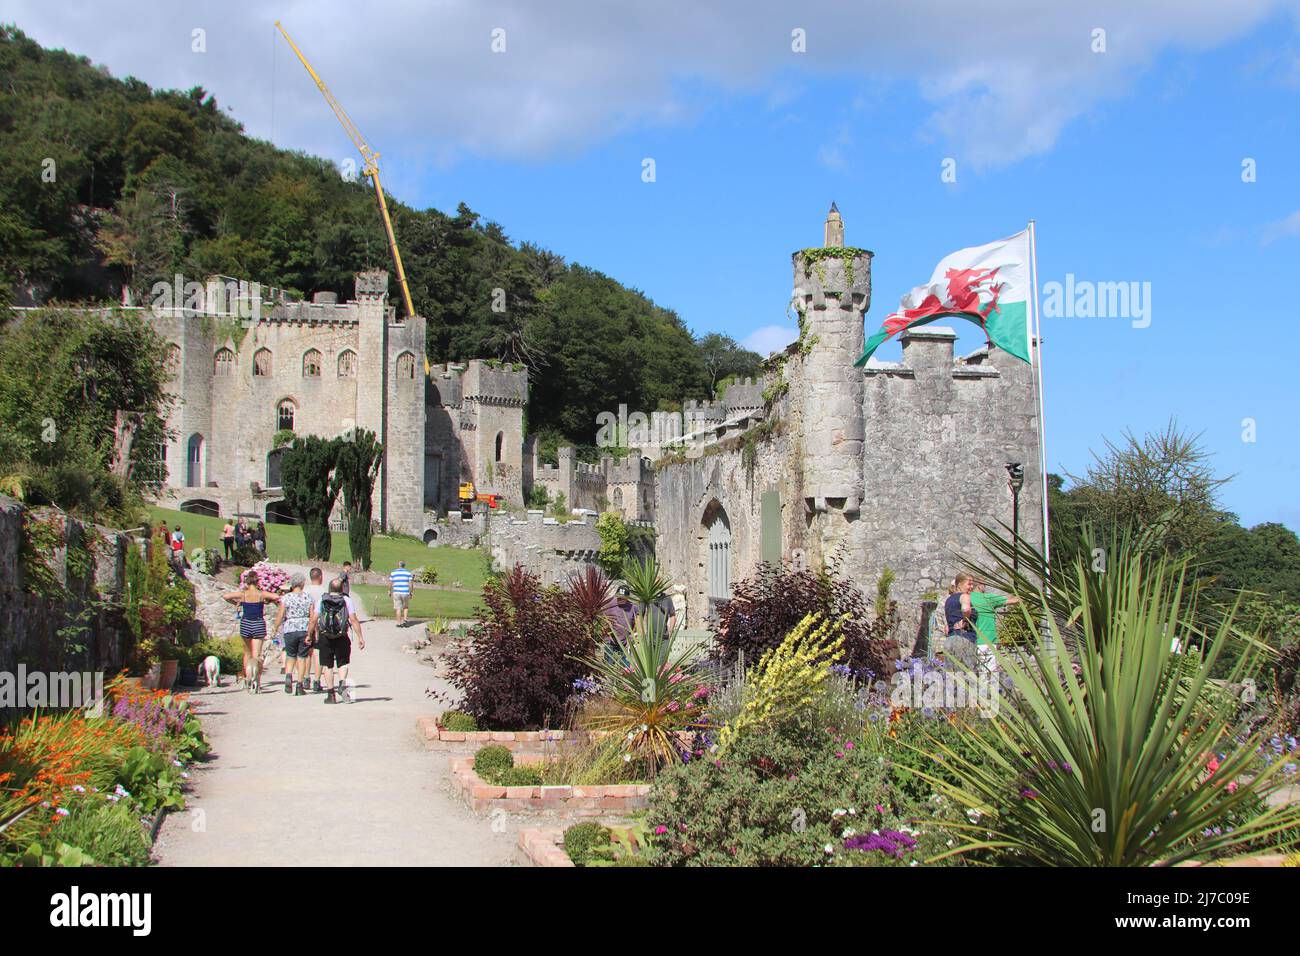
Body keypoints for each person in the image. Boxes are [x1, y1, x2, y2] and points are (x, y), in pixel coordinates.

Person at [223, 570, 281, 693]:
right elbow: (277, 597)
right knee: (257, 655)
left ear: (247, 582)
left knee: (247, 653)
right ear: (257, 581)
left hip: (246, 623)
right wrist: (268, 601)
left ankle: (246, 678)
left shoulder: (243, 594)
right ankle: (256, 681)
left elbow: (226, 596)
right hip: (258, 623)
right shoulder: (261, 594)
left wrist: (236, 603)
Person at [308, 578, 364, 704]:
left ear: (329, 588)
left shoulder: (322, 600)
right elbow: (353, 619)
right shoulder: (346, 600)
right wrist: (360, 637)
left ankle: (331, 695)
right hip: (341, 635)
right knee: (342, 663)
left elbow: (313, 619)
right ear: (341, 589)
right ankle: (342, 684)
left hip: (325, 636)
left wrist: (309, 634)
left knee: (328, 665)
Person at [271, 573, 314, 696]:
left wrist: (275, 627)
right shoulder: (308, 597)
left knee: (291, 655)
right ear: (302, 584)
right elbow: (312, 617)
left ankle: (288, 675)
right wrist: (311, 632)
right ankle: (299, 685)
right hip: (304, 628)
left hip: (290, 628)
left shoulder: (286, 598)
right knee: (302, 658)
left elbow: (281, 614)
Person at [970, 580, 1021, 673]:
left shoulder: (966, 598)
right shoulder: (988, 598)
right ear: (979, 586)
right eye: (984, 585)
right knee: (989, 675)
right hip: (987, 641)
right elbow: (1014, 601)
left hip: (971, 641)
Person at [942, 573, 979, 670]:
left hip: (950, 641)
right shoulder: (965, 596)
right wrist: (965, 620)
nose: (971, 587)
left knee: (951, 677)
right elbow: (966, 609)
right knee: (967, 677)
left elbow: (947, 627)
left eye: (972, 585)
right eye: (969, 584)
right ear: (959, 584)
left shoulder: (949, 600)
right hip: (964, 639)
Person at [303, 567, 328, 692]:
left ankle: (306, 678)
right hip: (321, 624)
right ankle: (317, 681)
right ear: (320, 577)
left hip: (307, 624)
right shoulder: (324, 592)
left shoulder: (305, 591)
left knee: (307, 652)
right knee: (318, 653)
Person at [388, 560, 414, 627]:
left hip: (396, 592)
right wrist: (411, 592)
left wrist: (389, 591)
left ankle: (399, 623)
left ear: (398, 565)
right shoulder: (408, 573)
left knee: (398, 608)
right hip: (405, 592)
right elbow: (411, 583)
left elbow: (390, 583)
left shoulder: (393, 573)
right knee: (405, 607)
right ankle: (405, 621)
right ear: (404, 565)